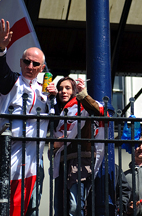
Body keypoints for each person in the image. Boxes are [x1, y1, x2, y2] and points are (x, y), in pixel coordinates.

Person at [0, 19, 57, 216]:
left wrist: (57, 98)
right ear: (20, 62)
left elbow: (60, 118)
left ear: (42, 67)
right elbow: (0, 72)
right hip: (8, 154)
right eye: (26, 61)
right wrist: (0, 49)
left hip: (34, 157)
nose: (30, 66)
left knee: (32, 206)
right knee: (4, 205)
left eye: (35, 63)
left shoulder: (46, 90)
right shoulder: (12, 82)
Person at [53, 76, 105, 216]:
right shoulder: (58, 110)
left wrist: (83, 94)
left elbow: (98, 110)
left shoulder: (82, 104)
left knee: (75, 206)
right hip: (62, 161)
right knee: (59, 207)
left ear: (75, 90)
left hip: (81, 159)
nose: (63, 91)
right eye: (60, 89)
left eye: (68, 88)